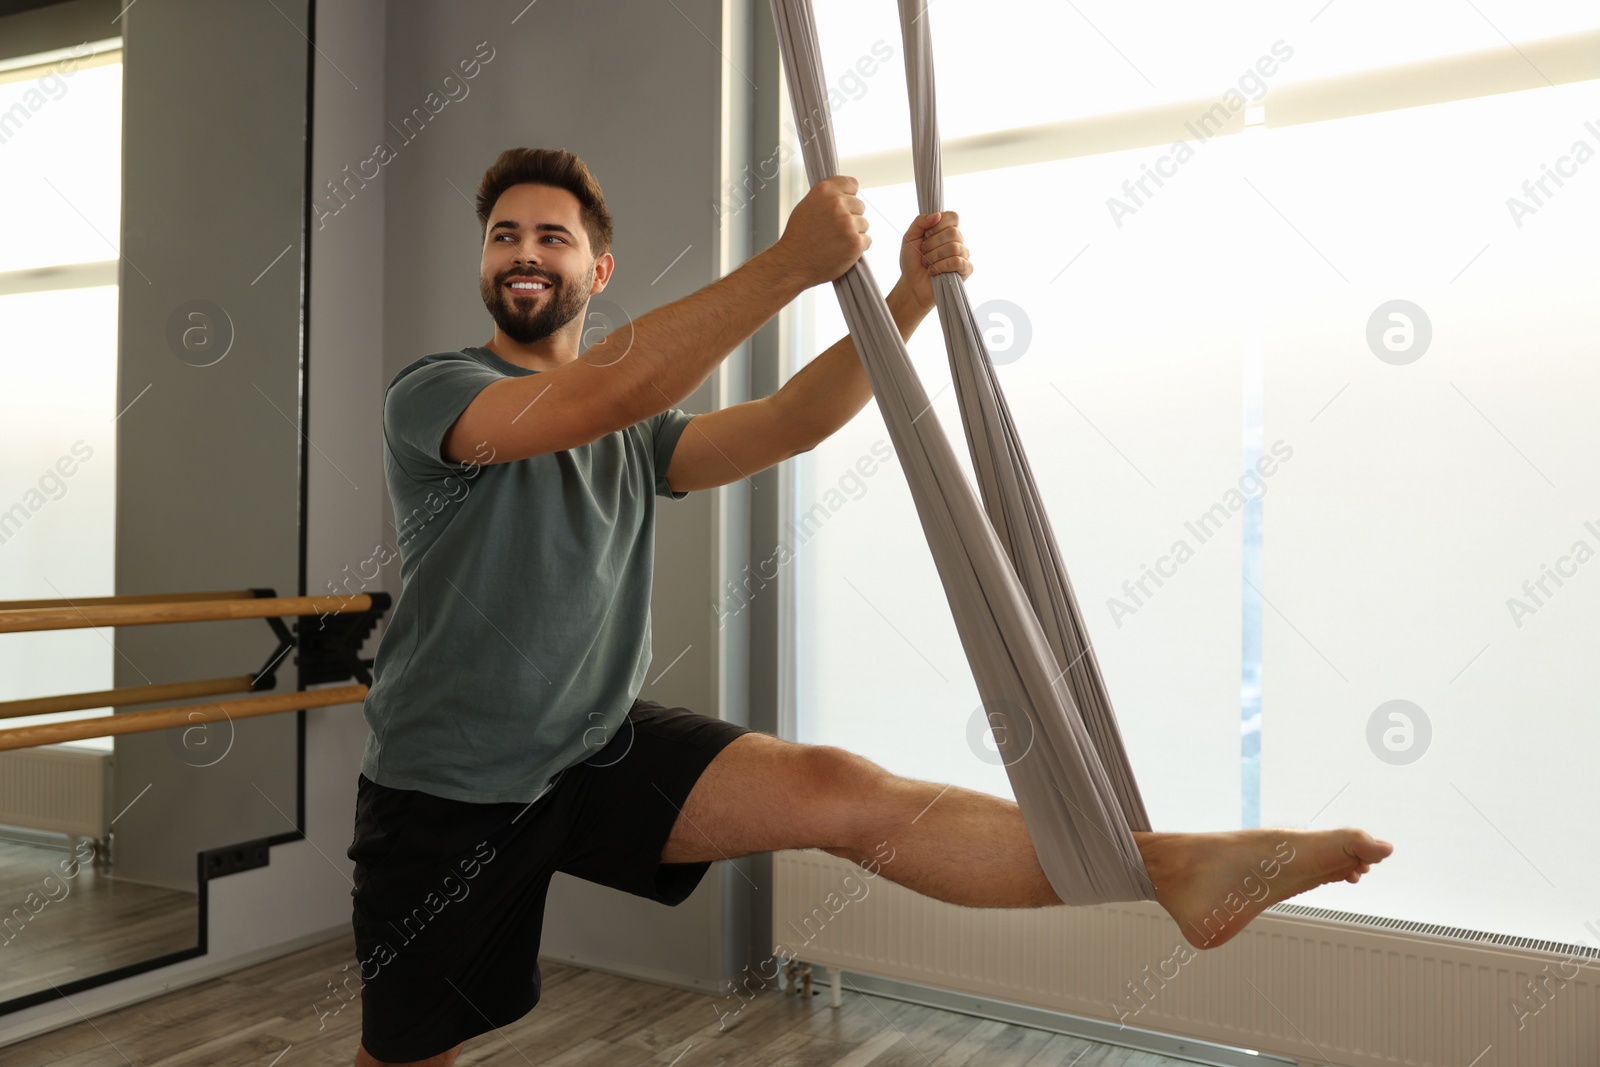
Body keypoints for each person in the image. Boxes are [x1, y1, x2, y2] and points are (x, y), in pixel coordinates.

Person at [348, 147, 1392, 1067]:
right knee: (410, 1054)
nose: (524, 252)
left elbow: (791, 419)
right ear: (484, 263)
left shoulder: (637, 436)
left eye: (552, 237)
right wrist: (787, 265)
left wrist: (905, 300)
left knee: (837, 786)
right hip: (447, 789)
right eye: (504, 236)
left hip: (591, 748)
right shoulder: (435, 393)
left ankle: (1170, 867)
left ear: (596, 270)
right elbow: (593, 399)